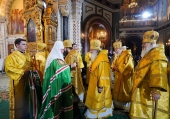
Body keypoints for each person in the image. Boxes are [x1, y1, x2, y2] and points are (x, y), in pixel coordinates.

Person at [130, 30, 170, 119]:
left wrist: (156, 90)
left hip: (151, 90)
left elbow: (159, 73)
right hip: (144, 88)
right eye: (143, 43)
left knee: (151, 111)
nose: (142, 45)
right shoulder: (148, 54)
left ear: (151, 44)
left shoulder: (157, 55)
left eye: (145, 43)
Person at [39, 41, 73, 119]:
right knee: (54, 102)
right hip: (53, 85)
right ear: (57, 49)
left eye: (63, 49)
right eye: (61, 49)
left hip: (55, 83)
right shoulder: (54, 59)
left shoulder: (55, 57)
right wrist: (70, 66)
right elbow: (62, 69)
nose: (63, 51)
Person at [85, 39, 112, 119]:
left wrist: (100, 86)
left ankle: (100, 112)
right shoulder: (97, 57)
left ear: (96, 50)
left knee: (99, 100)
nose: (90, 52)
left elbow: (103, 74)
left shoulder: (102, 59)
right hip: (94, 83)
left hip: (100, 84)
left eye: (92, 50)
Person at [5, 38, 32, 119]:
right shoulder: (11, 57)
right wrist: (23, 71)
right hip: (18, 81)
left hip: (28, 80)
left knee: (27, 98)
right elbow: (8, 68)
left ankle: (26, 114)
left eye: (26, 44)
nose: (26, 46)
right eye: (23, 44)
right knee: (19, 100)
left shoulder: (27, 55)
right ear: (17, 45)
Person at [111, 41, 134, 110]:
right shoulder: (118, 56)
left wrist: (119, 69)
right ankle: (117, 103)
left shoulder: (127, 55)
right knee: (117, 89)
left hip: (125, 77)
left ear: (121, 49)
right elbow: (113, 64)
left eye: (116, 49)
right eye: (114, 49)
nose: (115, 51)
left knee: (125, 90)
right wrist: (114, 67)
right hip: (118, 76)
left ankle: (125, 105)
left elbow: (129, 66)